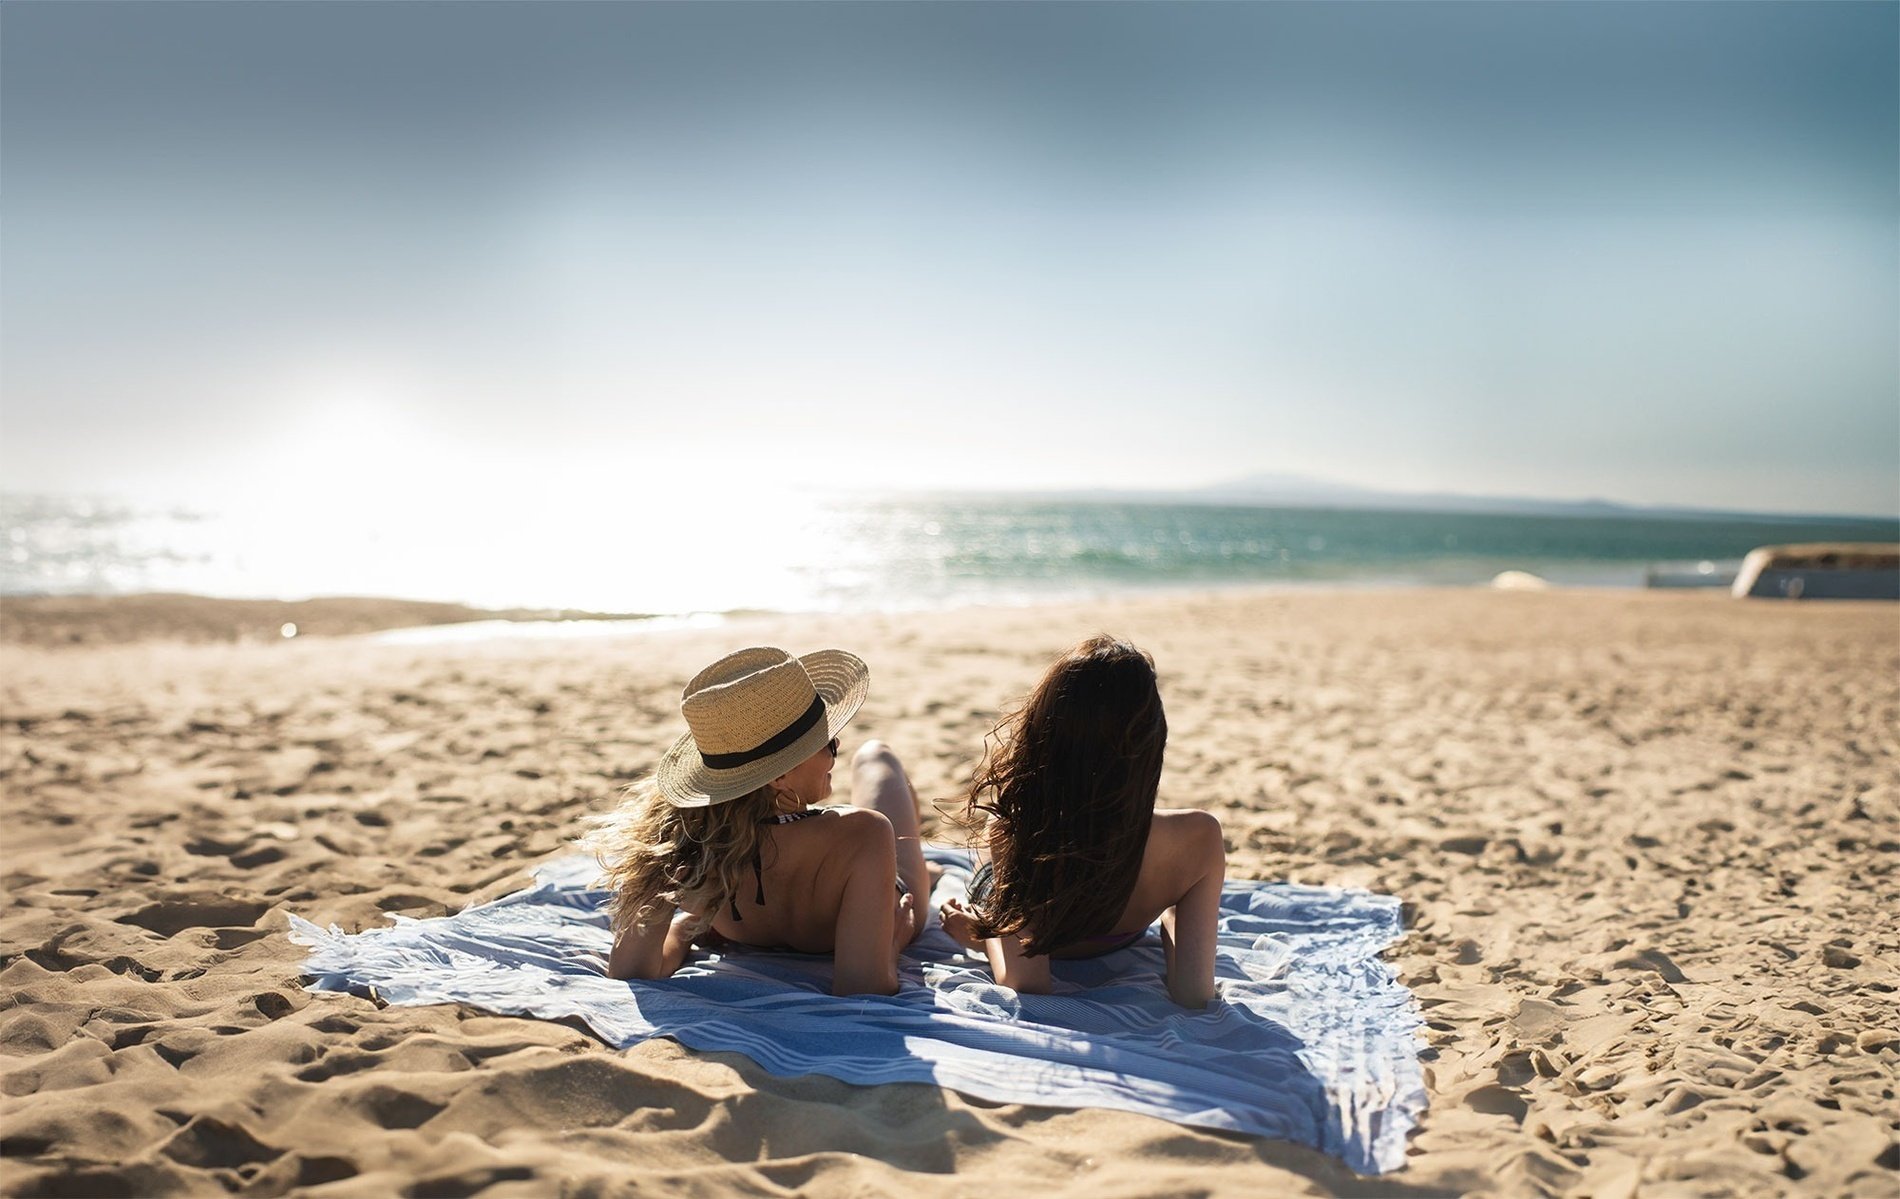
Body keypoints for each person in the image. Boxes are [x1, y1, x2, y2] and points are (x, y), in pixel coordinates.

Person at [595, 646, 928, 996]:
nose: (836, 745)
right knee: (876, 755)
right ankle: (926, 871)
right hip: (888, 897)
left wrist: (683, 929)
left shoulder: (680, 838)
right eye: (826, 741)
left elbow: (631, 971)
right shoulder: (864, 832)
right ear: (779, 776)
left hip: (747, 928)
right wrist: (894, 940)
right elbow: (864, 987)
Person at [939, 635, 1225, 1008]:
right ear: (1152, 744)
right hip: (1126, 933)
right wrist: (1174, 917)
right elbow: (1194, 992)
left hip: (1026, 897)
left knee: (983, 867)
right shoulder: (1198, 838)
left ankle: (933, 872)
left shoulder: (1016, 834)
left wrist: (981, 937)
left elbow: (1027, 983)